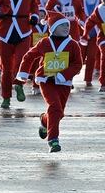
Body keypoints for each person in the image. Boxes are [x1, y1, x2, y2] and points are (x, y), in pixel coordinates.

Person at [16, 12, 83, 152]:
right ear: (53, 28)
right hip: (46, 81)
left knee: (58, 113)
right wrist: (23, 74)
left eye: (67, 25)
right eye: (62, 25)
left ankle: (45, 121)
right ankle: (53, 140)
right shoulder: (45, 42)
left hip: (64, 83)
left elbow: (78, 64)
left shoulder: (73, 44)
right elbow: (29, 56)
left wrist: (62, 75)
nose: (66, 27)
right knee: (55, 107)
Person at [0, 0, 39, 109]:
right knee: (5, 67)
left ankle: (19, 85)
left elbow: (34, 7)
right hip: (5, 30)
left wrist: (35, 16)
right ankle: (6, 97)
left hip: (23, 29)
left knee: (22, 62)